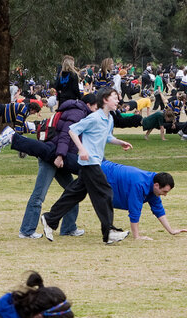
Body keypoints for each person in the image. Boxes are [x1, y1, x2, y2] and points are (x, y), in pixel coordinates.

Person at [40, 88, 132, 245]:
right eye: (115, 98)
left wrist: (119, 142)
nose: (118, 101)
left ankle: (49, 219)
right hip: (90, 162)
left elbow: (107, 136)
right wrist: (82, 149)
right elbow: (73, 131)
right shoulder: (94, 117)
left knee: (75, 194)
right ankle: (108, 232)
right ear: (105, 100)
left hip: (94, 161)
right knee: (105, 192)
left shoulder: (109, 119)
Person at [0, 96, 93, 238]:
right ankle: (27, 230)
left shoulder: (77, 112)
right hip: (53, 157)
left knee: (73, 191)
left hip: (60, 156)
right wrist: (60, 155)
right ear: (89, 104)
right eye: (96, 107)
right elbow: (65, 135)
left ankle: (69, 227)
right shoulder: (77, 112)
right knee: (39, 195)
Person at [101, 161, 186, 240]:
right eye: (164, 191)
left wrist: (171, 231)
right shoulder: (140, 185)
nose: (165, 195)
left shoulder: (153, 186)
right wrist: (137, 236)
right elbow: (134, 211)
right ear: (156, 185)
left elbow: (158, 209)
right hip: (101, 171)